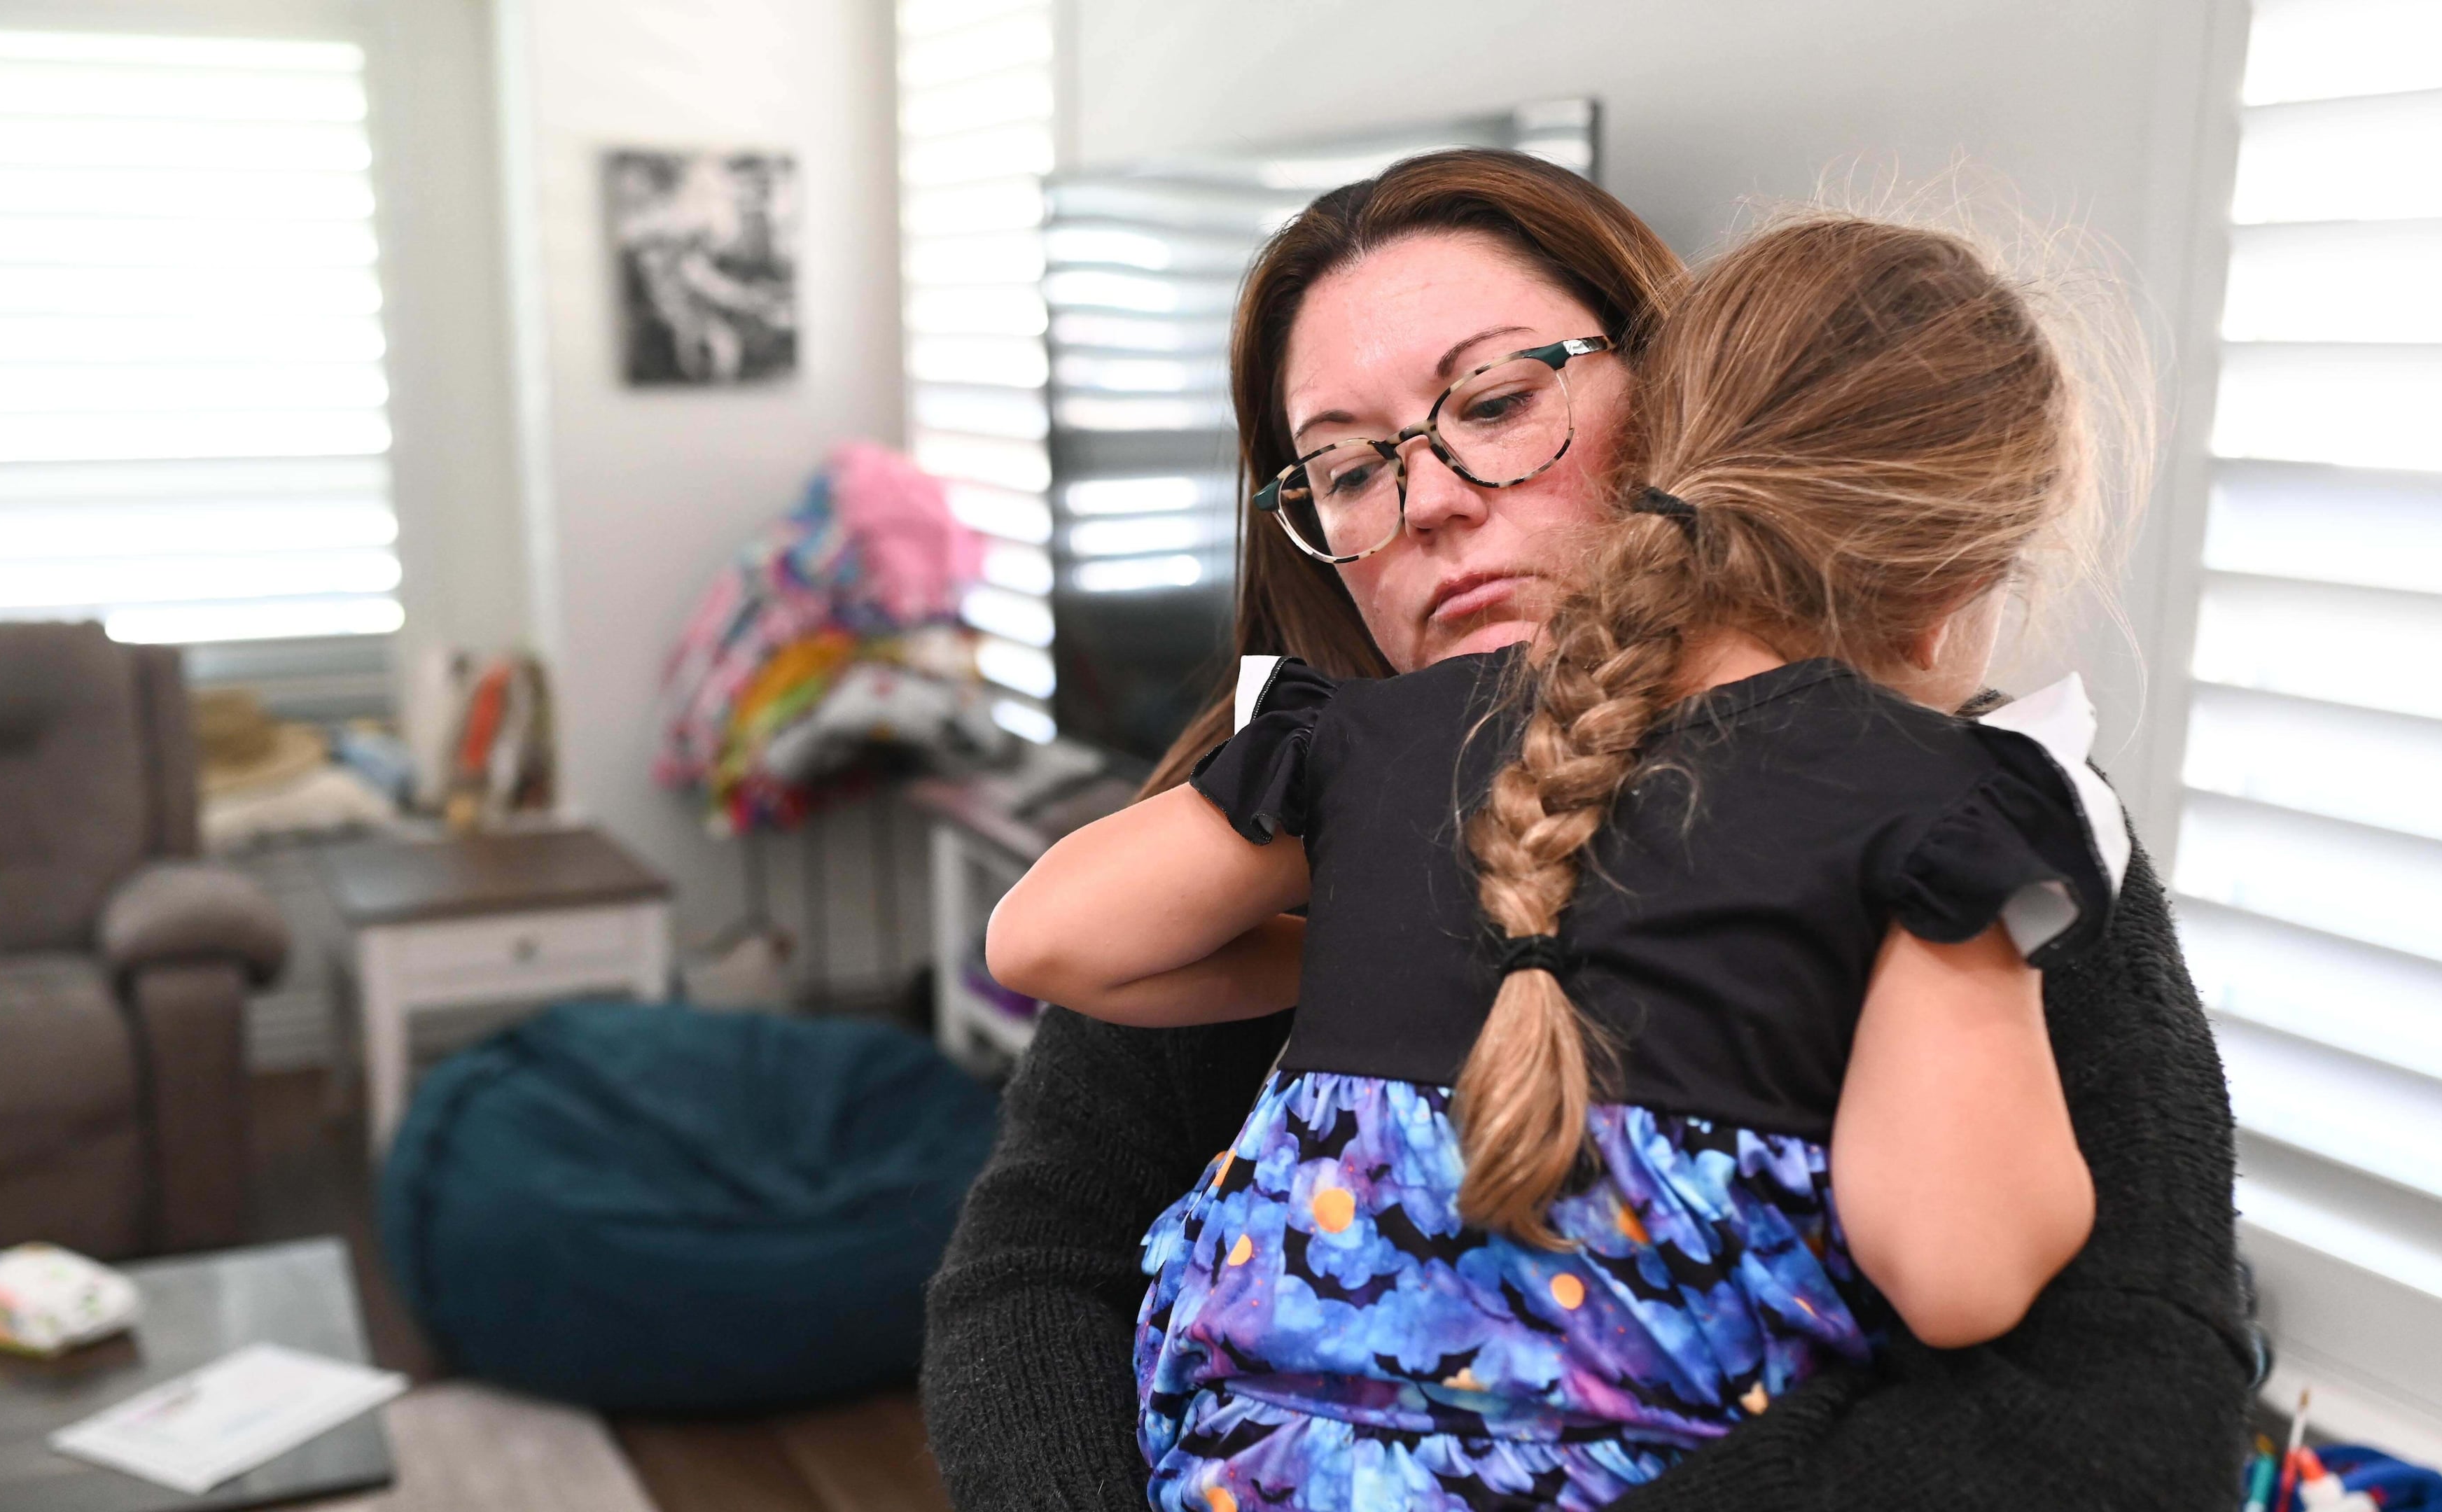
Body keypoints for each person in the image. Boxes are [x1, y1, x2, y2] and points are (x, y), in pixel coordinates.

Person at [923, 150, 2249, 1512]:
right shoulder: (1297, 784)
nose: (1427, 498)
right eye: (1342, 470)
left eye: (1495, 403)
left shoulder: (1974, 839)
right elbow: (1035, 1270)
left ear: (1683, 410)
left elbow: (2130, 1402)